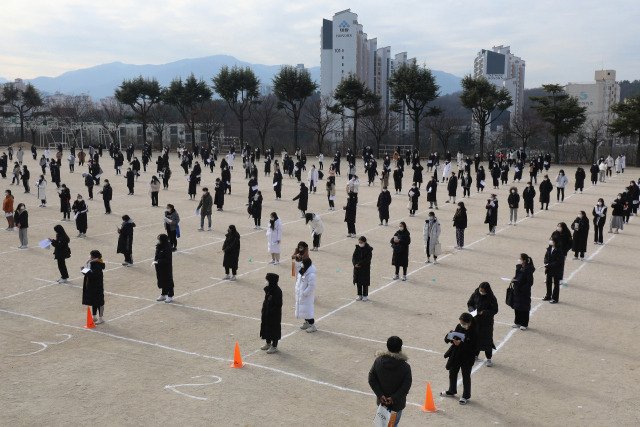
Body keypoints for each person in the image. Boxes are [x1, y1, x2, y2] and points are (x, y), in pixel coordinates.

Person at [368, 336, 412, 426]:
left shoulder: (378, 361)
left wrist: (380, 395)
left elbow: (371, 379)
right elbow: (406, 386)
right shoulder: (405, 367)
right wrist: (393, 398)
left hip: (382, 402)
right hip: (396, 404)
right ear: (400, 348)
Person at [441, 312, 478, 405]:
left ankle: (465, 396)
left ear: (469, 323)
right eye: (461, 323)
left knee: (466, 376)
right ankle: (451, 390)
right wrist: (451, 339)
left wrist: (461, 344)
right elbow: (453, 336)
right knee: (452, 372)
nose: (462, 325)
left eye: (464, 323)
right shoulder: (459, 327)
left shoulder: (474, 332)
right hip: (456, 355)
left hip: (467, 358)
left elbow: (473, 348)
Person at [467, 282, 498, 366]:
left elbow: (495, 310)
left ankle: (488, 358)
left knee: (487, 340)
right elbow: (470, 303)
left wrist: (484, 312)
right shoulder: (476, 293)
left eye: (483, 291)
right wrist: (472, 310)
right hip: (475, 320)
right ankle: (475, 355)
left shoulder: (491, 297)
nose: (481, 292)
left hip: (486, 322)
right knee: (476, 338)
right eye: (480, 290)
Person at [260, 273, 283, 354]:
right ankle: (268, 343)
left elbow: (278, 304)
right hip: (266, 312)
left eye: (268, 280)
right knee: (267, 328)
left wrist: (271, 312)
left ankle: (274, 346)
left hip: (274, 315)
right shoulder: (268, 289)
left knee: (274, 329)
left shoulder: (277, 291)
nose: (266, 282)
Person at [510, 253, 535, 330]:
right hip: (517, 289)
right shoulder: (519, 267)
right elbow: (517, 276)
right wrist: (514, 279)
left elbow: (530, 282)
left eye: (520, 259)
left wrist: (523, 288)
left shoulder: (528, 270)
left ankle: (524, 323)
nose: (518, 260)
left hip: (524, 292)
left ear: (524, 260)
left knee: (524, 307)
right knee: (516, 306)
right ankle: (517, 322)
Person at [82, 250, 106, 324]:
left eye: (90, 255)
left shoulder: (97, 265)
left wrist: (85, 271)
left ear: (93, 256)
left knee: (99, 302)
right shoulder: (92, 263)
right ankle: (94, 316)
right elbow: (89, 274)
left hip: (97, 286)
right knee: (93, 301)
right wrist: (84, 271)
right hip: (92, 285)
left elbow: (93, 275)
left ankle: (101, 318)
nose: (89, 256)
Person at [295, 258, 317, 333]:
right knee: (303, 310)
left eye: (303, 262)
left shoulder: (311, 274)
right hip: (300, 295)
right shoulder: (302, 271)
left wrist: (304, 293)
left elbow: (312, 286)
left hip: (306, 296)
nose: (301, 264)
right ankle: (307, 323)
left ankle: (312, 325)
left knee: (308, 310)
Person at [153, 234, 175, 302]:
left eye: (159, 239)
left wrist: (159, 261)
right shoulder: (159, 246)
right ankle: (163, 294)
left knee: (168, 280)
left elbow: (168, 259)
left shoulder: (167, 247)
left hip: (166, 267)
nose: (158, 240)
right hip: (159, 266)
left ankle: (170, 295)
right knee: (162, 279)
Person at [543, 235, 564, 304]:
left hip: (556, 270)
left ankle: (555, 298)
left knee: (556, 284)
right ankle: (548, 295)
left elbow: (559, 261)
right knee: (548, 282)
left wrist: (550, 265)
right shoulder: (549, 248)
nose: (550, 241)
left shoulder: (559, 250)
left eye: (552, 240)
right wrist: (546, 263)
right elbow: (546, 257)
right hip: (549, 269)